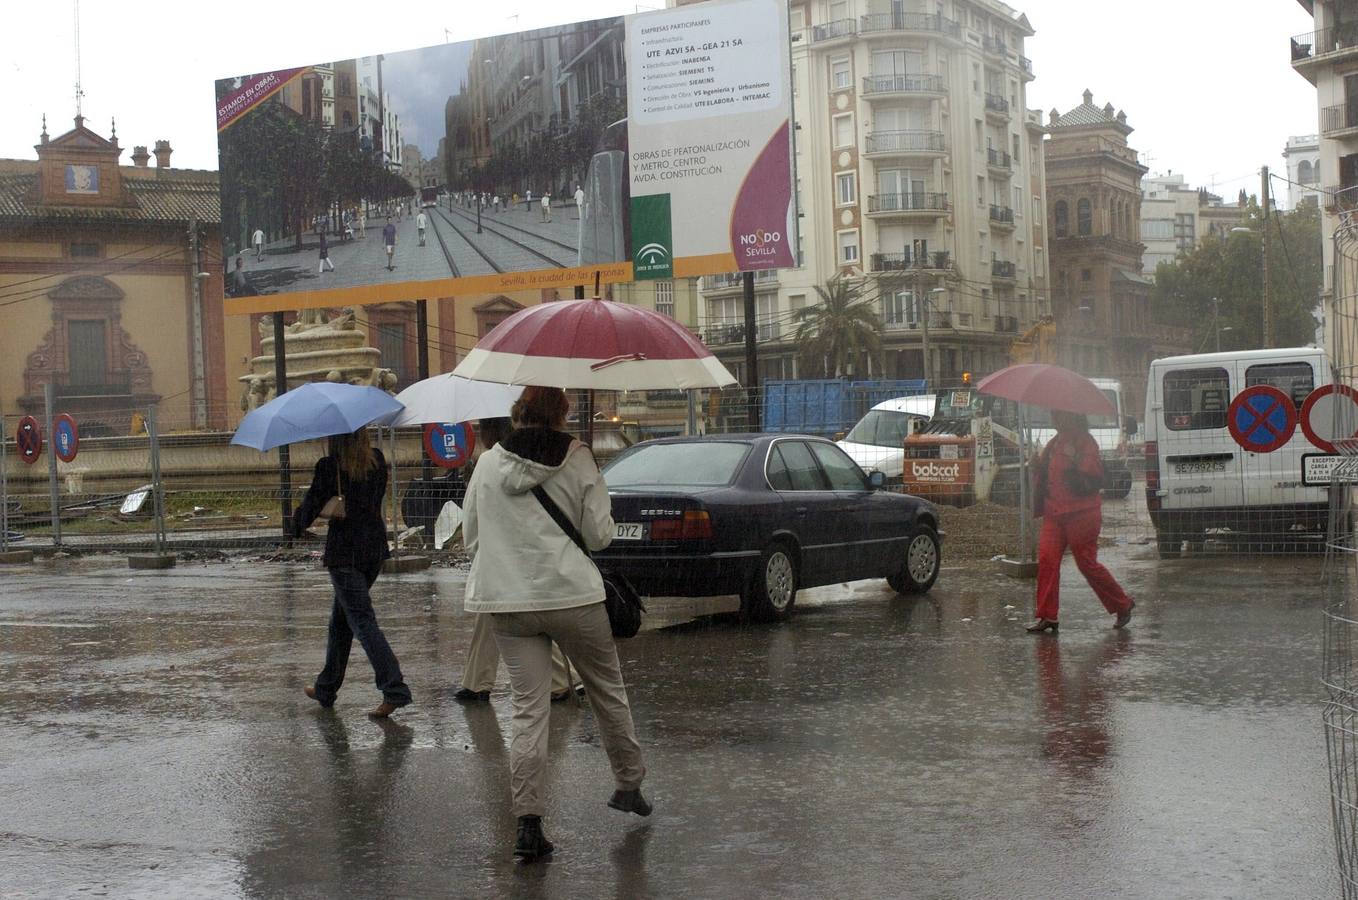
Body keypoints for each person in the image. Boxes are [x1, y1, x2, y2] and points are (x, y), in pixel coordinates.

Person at [463, 387, 650, 861]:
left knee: (528, 709)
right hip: (574, 597)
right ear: (563, 414)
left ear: (518, 414)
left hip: (509, 603)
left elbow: (471, 537)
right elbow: (599, 537)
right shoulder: (579, 456)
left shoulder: (488, 463)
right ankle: (628, 786)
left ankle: (528, 823)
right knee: (607, 689)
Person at [454, 416, 579, 705]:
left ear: (487, 433)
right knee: (517, 615)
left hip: (498, 556)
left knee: (517, 617)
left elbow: (470, 515)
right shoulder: (542, 459)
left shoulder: (487, 463)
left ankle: (559, 680)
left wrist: (477, 553)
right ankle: (477, 681)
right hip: (532, 552)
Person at [294, 428, 412, 718]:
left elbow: (310, 506)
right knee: (341, 623)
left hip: (345, 554)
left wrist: (294, 526)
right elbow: (370, 501)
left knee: (361, 621)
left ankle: (394, 688)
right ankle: (326, 687)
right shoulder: (376, 460)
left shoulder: (330, 466)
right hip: (373, 551)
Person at [1026, 409, 1135, 634]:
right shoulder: (1055, 442)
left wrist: (1074, 460)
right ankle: (1047, 615)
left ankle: (1122, 604)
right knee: (1047, 560)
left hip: (1082, 514)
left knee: (1086, 563)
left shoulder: (1086, 443)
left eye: (1057, 415)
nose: (1053, 419)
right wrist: (1037, 465)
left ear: (1071, 417)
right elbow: (1047, 475)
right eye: (1053, 415)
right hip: (1054, 514)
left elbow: (1093, 476)